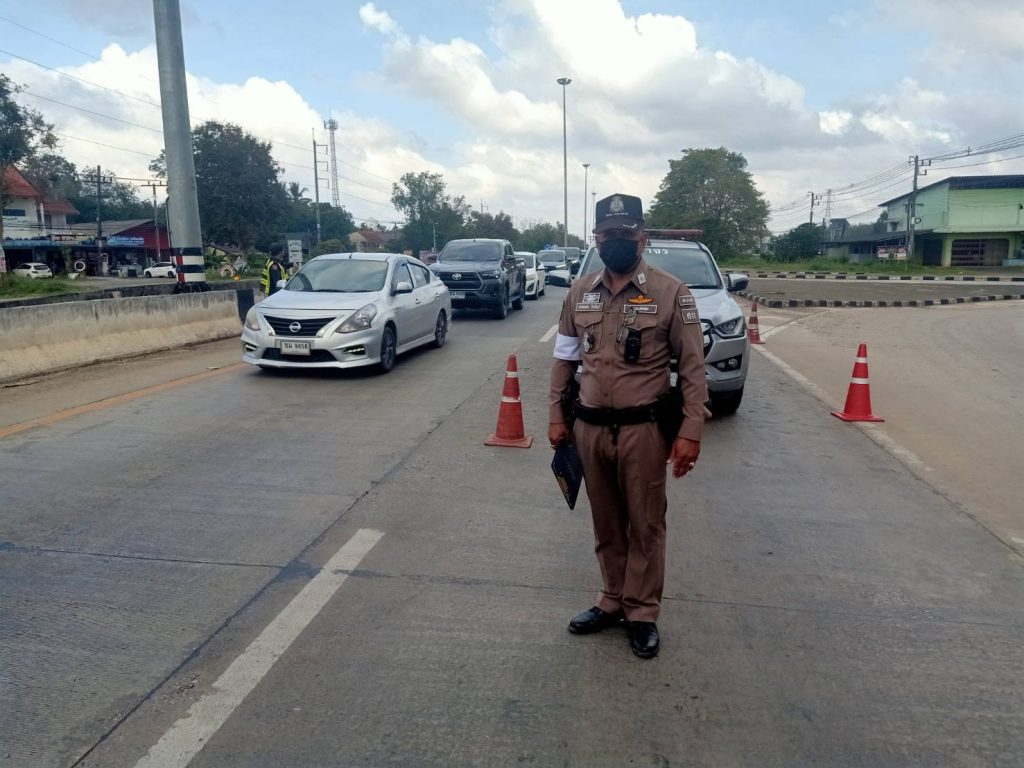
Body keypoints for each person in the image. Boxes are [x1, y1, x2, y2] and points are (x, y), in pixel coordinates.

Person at [547, 193, 708, 659]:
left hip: (644, 429)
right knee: (606, 521)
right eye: (607, 234)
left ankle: (642, 611)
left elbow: (692, 369)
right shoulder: (580, 292)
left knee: (646, 523)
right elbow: (564, 359)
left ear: (642, 238)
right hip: (589, 427)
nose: (616, 241)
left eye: (625, 233)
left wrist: (690, 431)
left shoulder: (671, 292)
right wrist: (556, 416)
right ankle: (612, 599)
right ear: (596, 239)